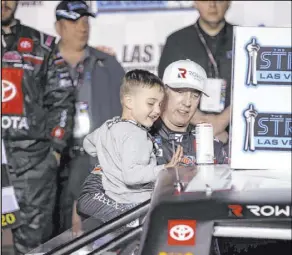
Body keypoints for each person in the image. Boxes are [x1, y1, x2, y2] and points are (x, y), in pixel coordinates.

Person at [77, 59, 228, 221]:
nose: (187, 102)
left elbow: (230, 204)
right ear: (163, 92)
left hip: (196, 240)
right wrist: (141, 220)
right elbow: (88, 198)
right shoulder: (132, 136)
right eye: (180, 91)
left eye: (195, 95)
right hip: (143, 242)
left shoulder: (212, 147)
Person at [2, 0, 75, 255]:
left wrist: (55, 151)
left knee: (33, 251)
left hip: (32, 165)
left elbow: (63, 99)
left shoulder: (41, 44)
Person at [53, 0, 125, 235]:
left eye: (85, 21)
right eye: (74, 21)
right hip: (53, 162)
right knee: (53, 234)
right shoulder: (42, 63)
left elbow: (128, 111)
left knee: (92, 234)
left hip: (94, 160)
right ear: (59, 27)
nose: (82, 27)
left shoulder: (107, 62)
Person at [83, 69, 183, 213]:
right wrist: (165, 168)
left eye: (160, 105)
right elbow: (132, 176)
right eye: (151, 103)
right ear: (129, 102)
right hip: (136, 205)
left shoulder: (109, 126)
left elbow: (88, 144)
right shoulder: (136, 135)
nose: (157, 111)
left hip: (112, 200)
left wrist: (110, 160)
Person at [158, 0, 233, 142]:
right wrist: (203, 122)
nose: (212, 4)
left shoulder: (244, 38)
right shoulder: (177, 41)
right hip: (187, 132)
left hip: (235, 129)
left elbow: (253, 90)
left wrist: (221, 121)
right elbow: (165, 89)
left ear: (229, 2)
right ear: (195, 2)